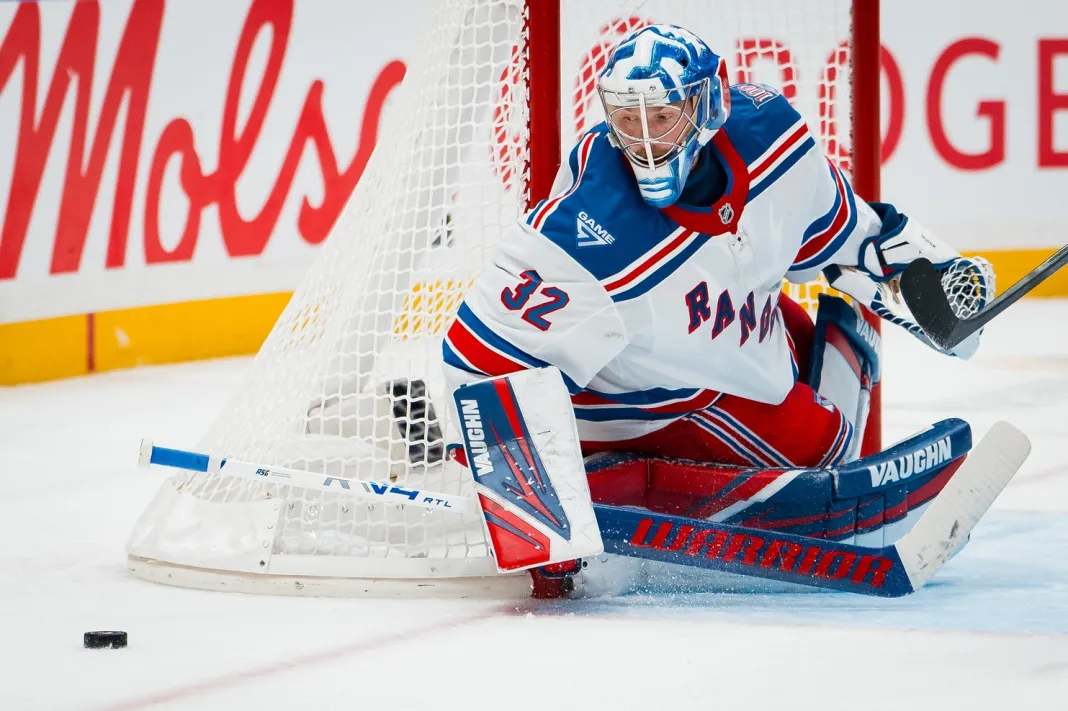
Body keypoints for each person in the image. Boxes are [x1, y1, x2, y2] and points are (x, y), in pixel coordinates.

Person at [442, 24, 992, 475]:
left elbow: (849, 237)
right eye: (629, 121)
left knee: (830, 341)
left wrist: (929, 276)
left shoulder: (773, 140)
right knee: (820, 443)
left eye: (662, 117)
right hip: (632, 393)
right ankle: (616, 468)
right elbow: (476, 356)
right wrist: (517, 499)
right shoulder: (592, 228)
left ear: (705, 107)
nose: (646, 140)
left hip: (724, 333)